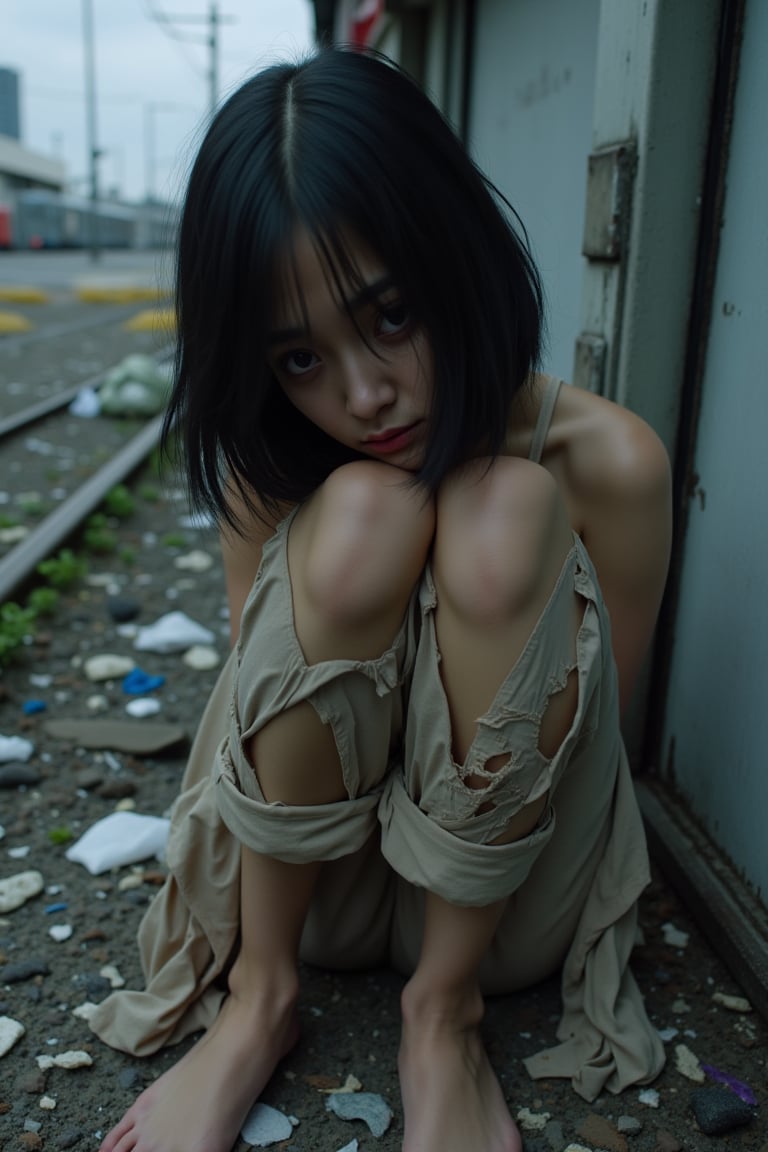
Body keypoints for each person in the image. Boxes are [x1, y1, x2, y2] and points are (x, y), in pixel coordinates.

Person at [94, 46, 672, 1152]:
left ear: (457, 253)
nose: (363, 393)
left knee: (502, 508)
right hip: (320, 897)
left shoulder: (609, 460)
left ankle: (441, 1019)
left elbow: (601, 747)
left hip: (505, 911)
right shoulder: (277, 468)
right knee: (364, 511)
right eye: (301, 359)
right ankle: (261, 1001)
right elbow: (265, 729)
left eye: (393, 314)